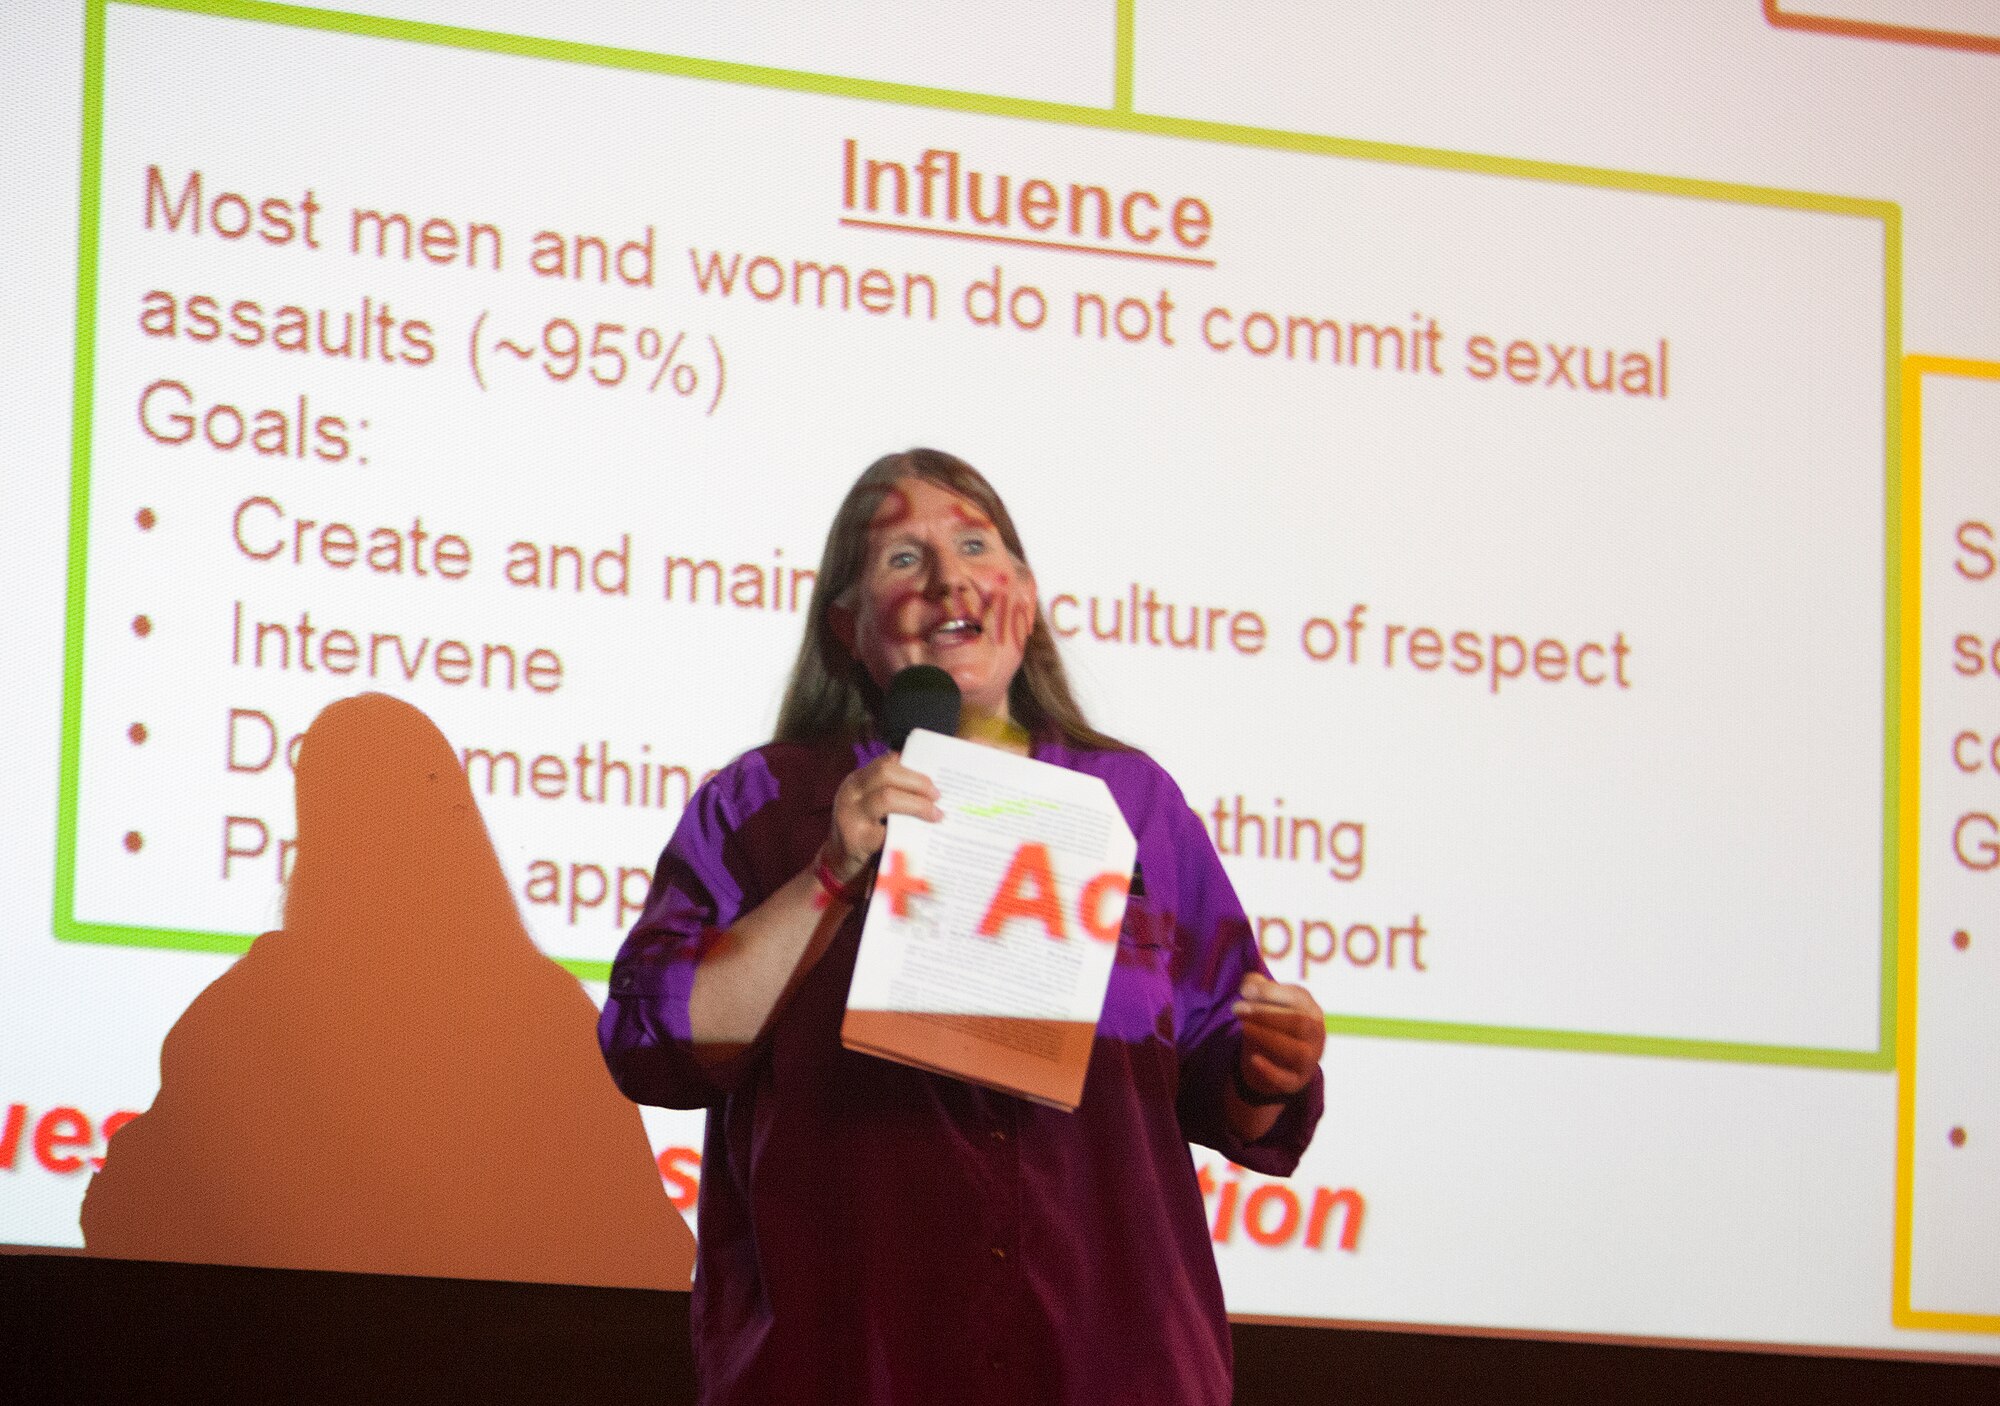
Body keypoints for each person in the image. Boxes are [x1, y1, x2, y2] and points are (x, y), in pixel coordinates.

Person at [599, 449, 1326, 1404]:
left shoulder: (1134, 805)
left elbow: (1224, 1086)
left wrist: (1270, 1067)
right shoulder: (765, 804)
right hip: (845, 1369)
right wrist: (830, 873)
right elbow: (655, 1048)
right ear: (846, 628)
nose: (949, 578)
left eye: (977, 545)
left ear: (1022, 595)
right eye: (903, 558)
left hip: (1112, 1371)